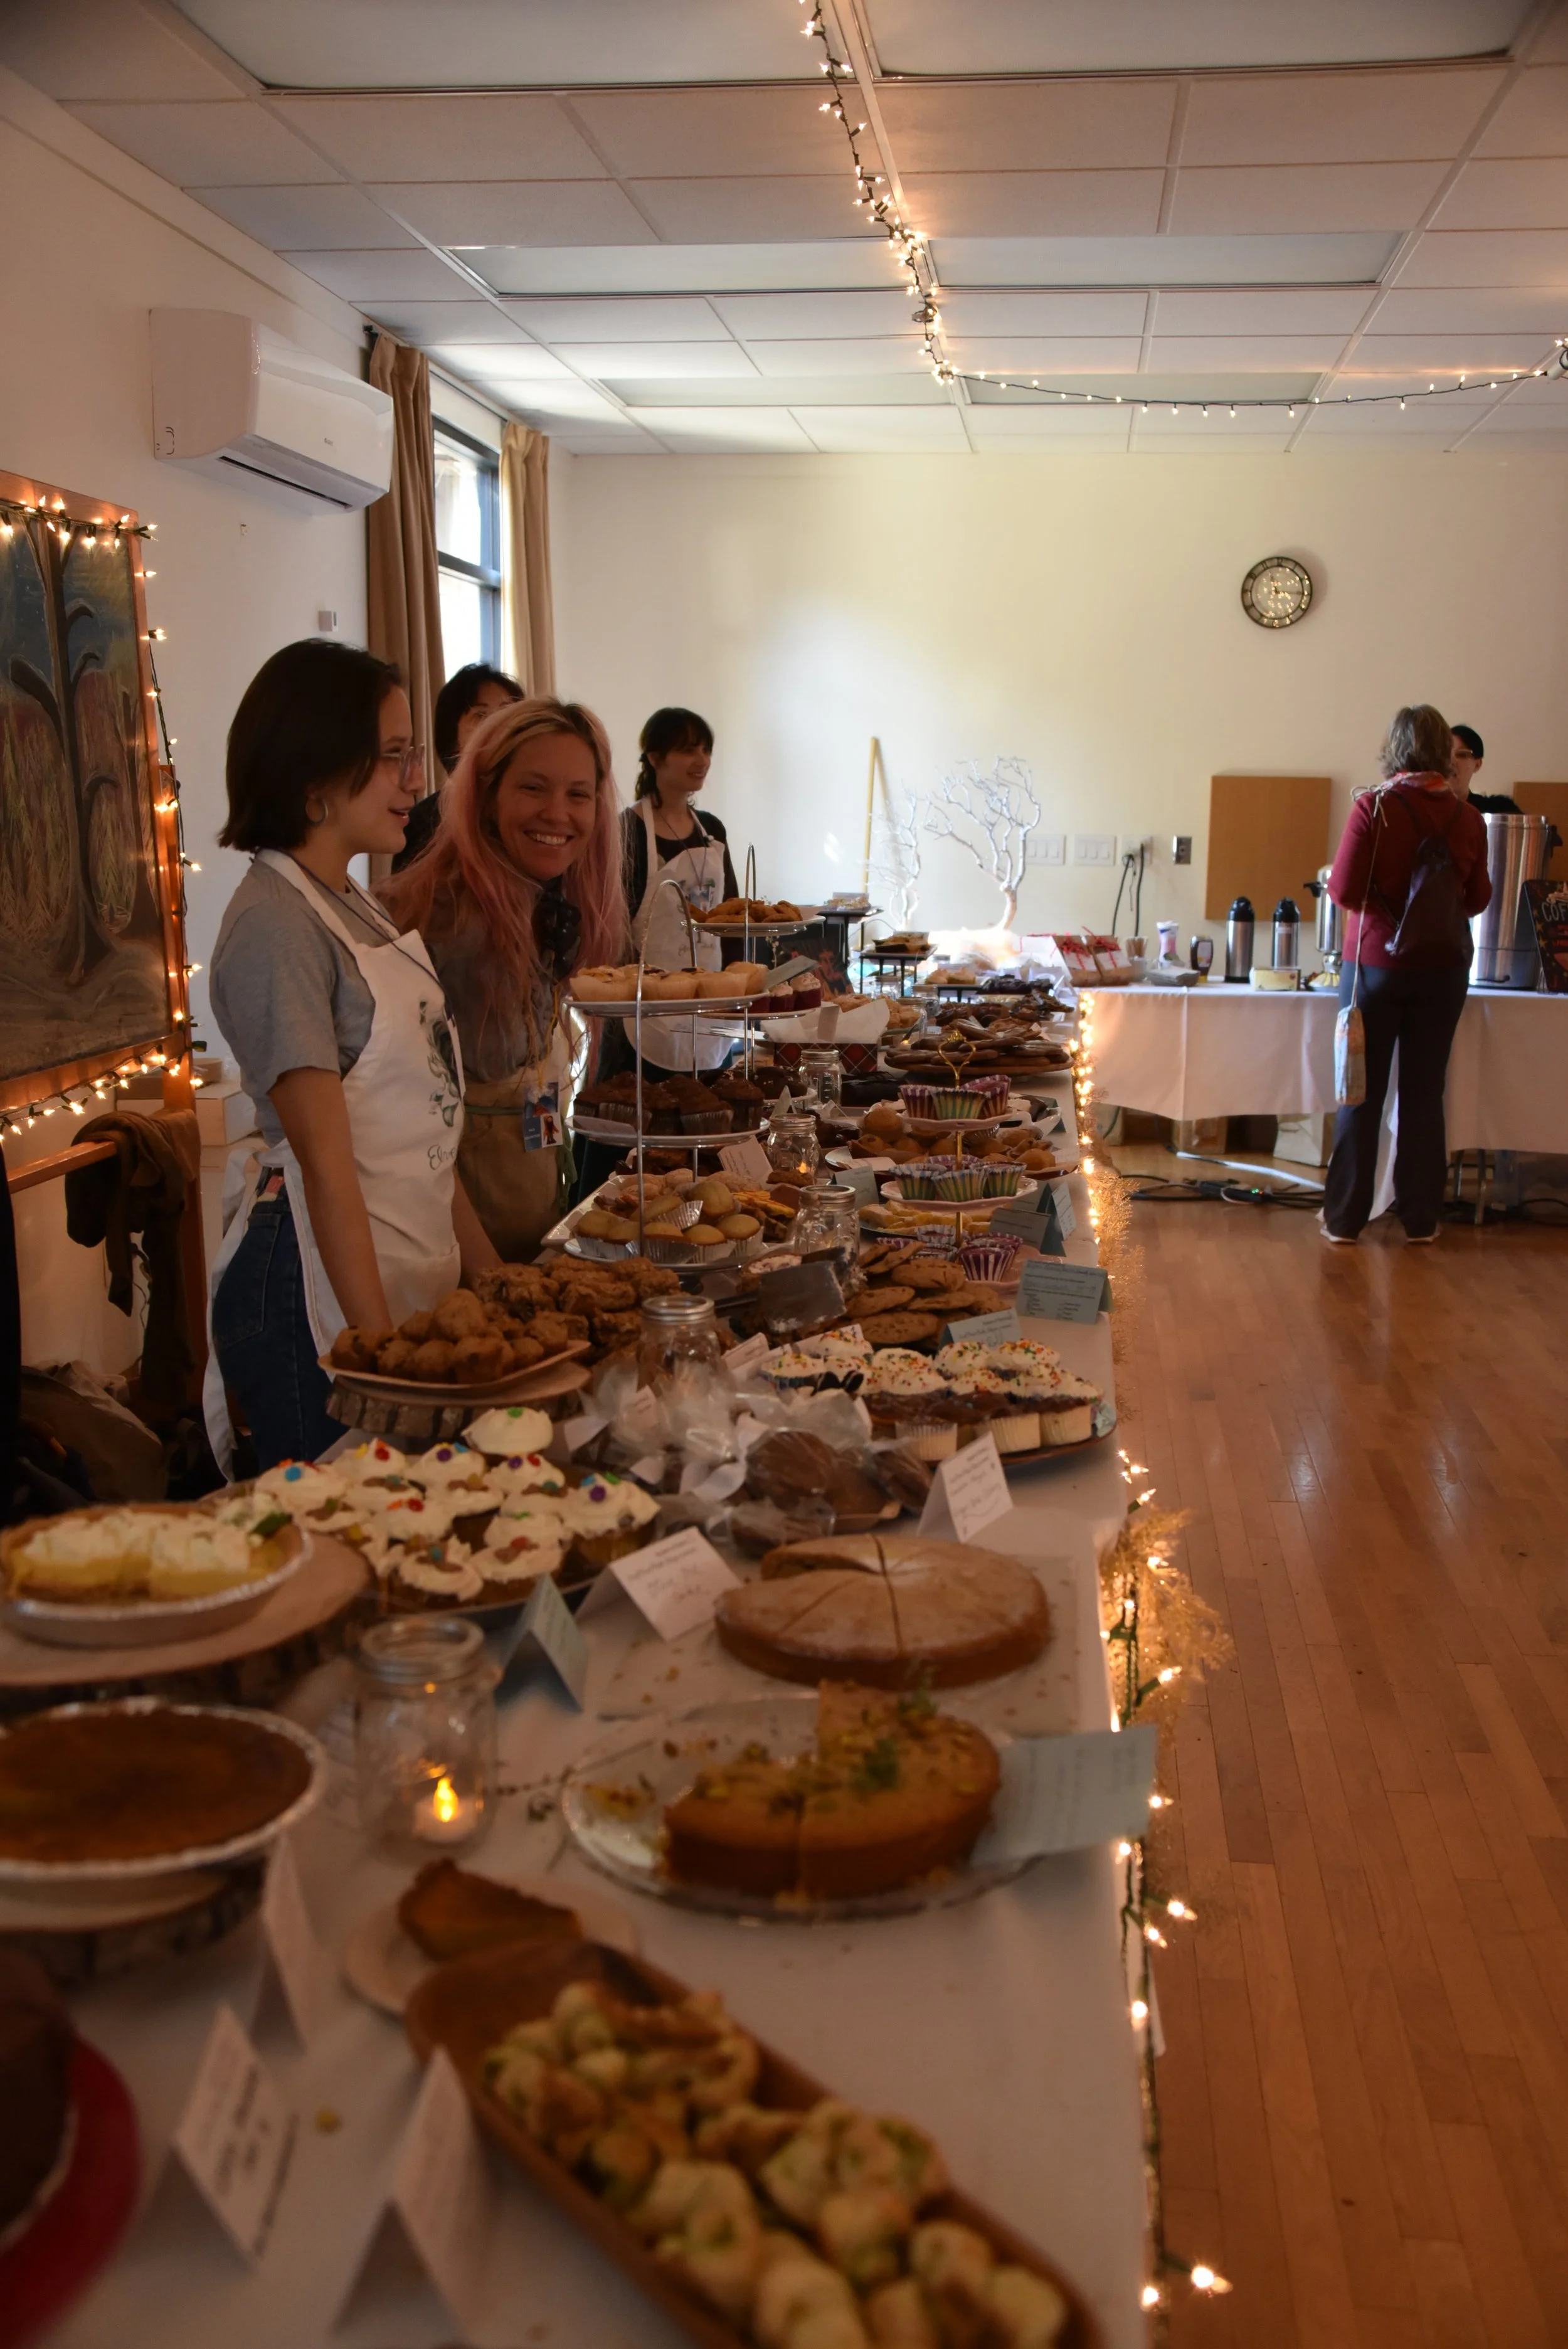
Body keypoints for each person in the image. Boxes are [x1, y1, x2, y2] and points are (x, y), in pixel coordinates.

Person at [207, 640, 499, 1470]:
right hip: (314, 1290)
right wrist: (382, 1362)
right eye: (393, 756)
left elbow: (424, 1126)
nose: (416, 779)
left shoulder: (353, 902)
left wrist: (493, 1279)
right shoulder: (275, 926)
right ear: (315, 777)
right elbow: (328, 1170)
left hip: (399, 1257)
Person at [381, 696, 627, 1261]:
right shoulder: (442, 918)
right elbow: (404, 1121)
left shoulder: (546, 902)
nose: (558, 813)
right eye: (533, 788)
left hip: (527, 1205)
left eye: (578, 794)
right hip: (454, 1240)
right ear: (488, 796)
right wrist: (489, 1274)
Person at [1322, 704, 1491, 1246]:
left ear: (1393, 749)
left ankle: (1345, 1219)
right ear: (1445, 752)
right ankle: (1420, 1219)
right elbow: (1478, 899)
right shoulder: (1468, 818)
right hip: (1443, 972)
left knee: (1360, 1093)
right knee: (1423, 1095)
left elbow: (1344, 891)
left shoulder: (1374, 808)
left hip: (1375, 967)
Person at [615, 706, 739, 1078]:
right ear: (655, 758)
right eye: (688, 750)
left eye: (706, 750)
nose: (702, 760)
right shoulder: (629, 830)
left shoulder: (712, 830)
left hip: (711, 1005)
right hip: (647, 1012)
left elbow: (732, 918)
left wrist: (736, 995)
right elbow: (615, 929)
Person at [392, 662, 524, 872]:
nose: (497, 725)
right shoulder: (423, 822)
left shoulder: (531, 812)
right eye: (481, 715)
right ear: (452, 731)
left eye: (507, 714)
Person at [1449, 723, 1522, 815]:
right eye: (1445, 753)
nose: (1451, 761)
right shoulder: (1430, 809)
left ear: (1477, 765)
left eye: (1462, 754)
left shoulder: (1499, 808)